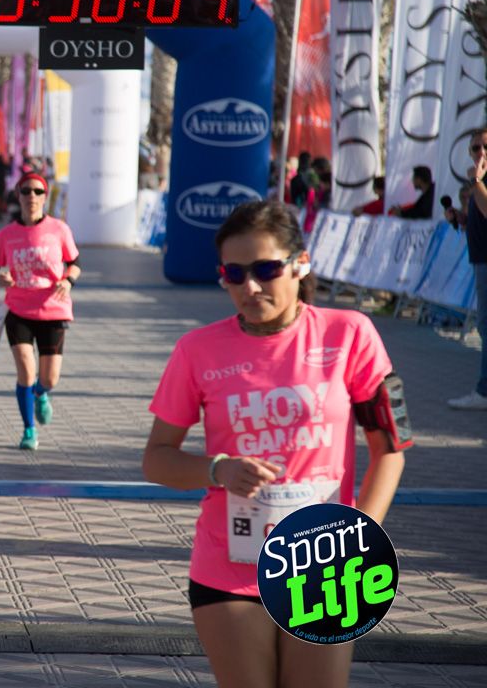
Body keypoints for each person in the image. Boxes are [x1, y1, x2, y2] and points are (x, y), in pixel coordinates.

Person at [143, 200, 407, 688]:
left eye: (266, 268)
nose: (251, 286)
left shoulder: (350, 333)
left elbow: (390, 447)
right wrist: (216, 469)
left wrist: (361, 533)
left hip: (329, 566)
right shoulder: (197, 349)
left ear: (300, 263)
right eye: (234, 273)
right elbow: (157, 460)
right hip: (231, 565)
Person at [0, 171, 81, 451]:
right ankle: (29, 431)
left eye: (38, 192)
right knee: (26, 374)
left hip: (53, 310)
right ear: (18, 195)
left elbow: (75, 263)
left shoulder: (59, 229)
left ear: (45, 196)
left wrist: (68, 280)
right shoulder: (6, 235)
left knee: (49, 378)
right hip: (19, 310)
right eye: (26, 191)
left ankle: (41, 394)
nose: (32, 197)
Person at [448, 128, 487, 410]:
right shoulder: (478, 183)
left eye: (486, 146)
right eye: (476, 148)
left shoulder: (480, 181)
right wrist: (461, 218)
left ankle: (483, 392)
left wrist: (476, 181)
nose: (481, 153)